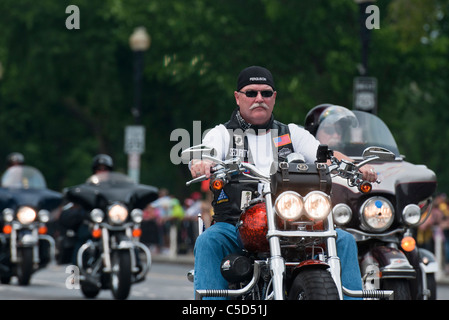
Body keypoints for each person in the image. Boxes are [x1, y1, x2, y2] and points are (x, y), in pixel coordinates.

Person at [189, 66, 378, 300]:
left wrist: (355, 167)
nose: (259, 98)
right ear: (238, 98)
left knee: (345, 240)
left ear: (274, 98)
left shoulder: (292, 134)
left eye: (266, 93)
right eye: (251, 93)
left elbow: (326, 155)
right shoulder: (222, 134)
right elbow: (207, 152)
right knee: (210, 240)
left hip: (294, 222)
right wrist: (202, 162)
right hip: (236, 224)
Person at [58, 154, 114, 264]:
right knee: (83, 236)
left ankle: (135, 264)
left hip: (111, 222)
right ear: (94, 171)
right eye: (99, 169)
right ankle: (76, 269)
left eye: (105, 169)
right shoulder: (88, 186)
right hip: (91, 222)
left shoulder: (116, 187)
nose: (102, 172)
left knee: (126, 237)